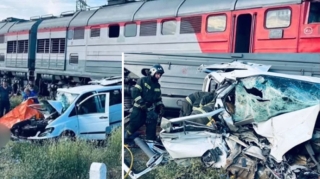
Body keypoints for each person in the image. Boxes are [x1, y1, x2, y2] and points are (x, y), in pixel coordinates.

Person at [125, 64, 165, 148]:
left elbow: (158, 99)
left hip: (150, 110)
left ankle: (150, 144)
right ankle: (126, 139)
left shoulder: (157, 85)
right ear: (152, 73)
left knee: (152, 124)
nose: (159, 76)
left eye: (160, 75)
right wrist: (142, 103)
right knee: (134, 125)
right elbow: (135, 93)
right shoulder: (143, 80)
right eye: (157, 74)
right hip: (139, 109)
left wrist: (160, 106)